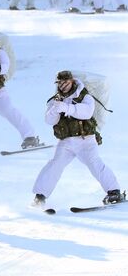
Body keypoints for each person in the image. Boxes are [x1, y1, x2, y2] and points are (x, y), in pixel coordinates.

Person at [32, 71, 124, 206]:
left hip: (85, 140)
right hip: (66, 142)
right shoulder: (55, 100)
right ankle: (39, 197)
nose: (63, 86)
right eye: (60, 83)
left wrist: (67, 108)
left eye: (66, 82)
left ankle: (114, 192)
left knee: (95, 164)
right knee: (54, 165)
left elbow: (87, 112)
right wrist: (54, 110)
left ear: (72, 81)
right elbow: (49, 120)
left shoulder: (85, 96)